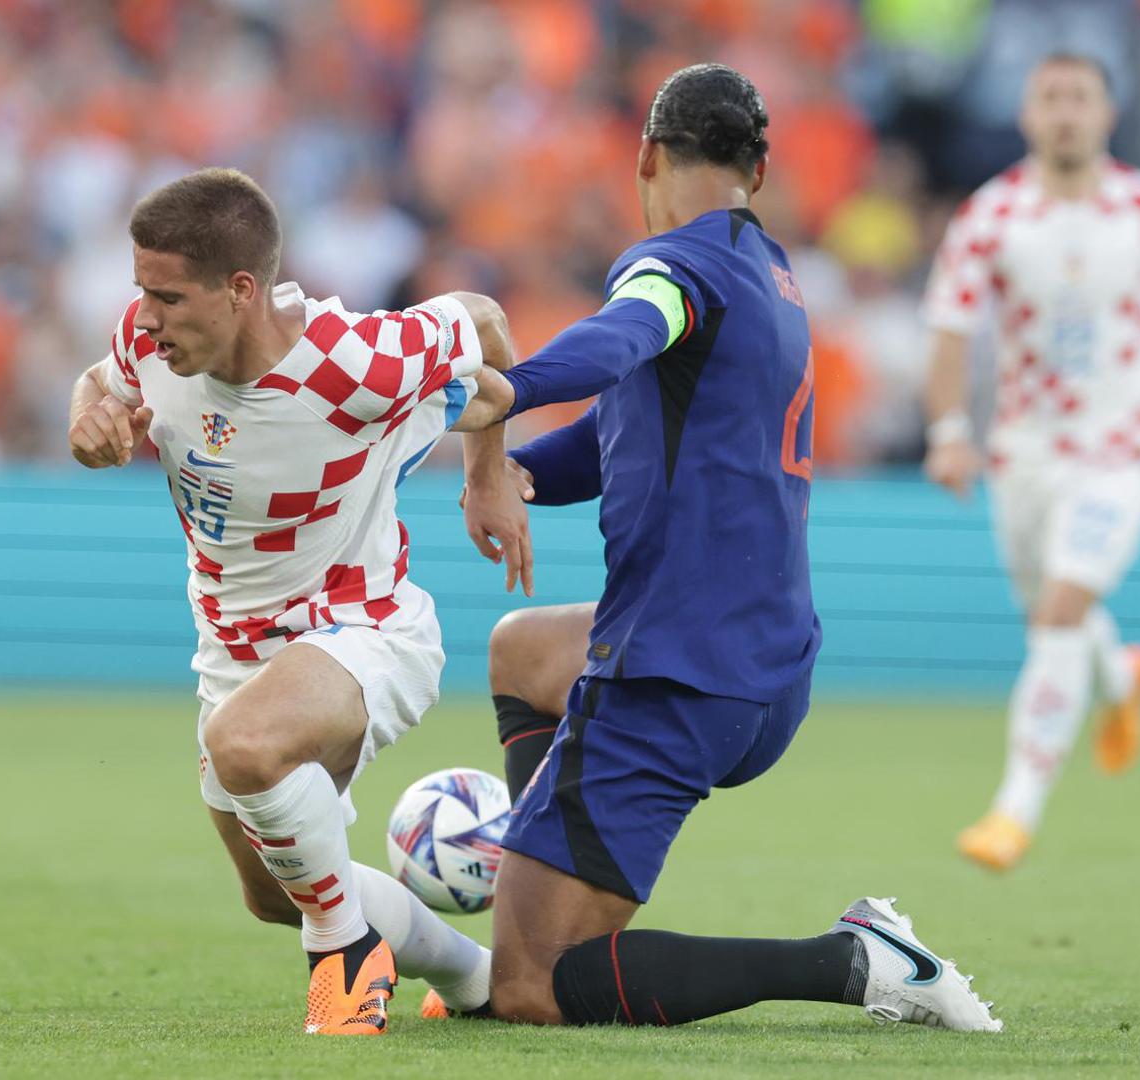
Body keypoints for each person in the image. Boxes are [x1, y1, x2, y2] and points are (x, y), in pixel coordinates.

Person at [443, 63, 1001, 1031]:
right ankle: (551, 856)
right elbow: (622, 425)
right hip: (767, 668)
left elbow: (621, 335)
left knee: (529, 984)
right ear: (760, 170)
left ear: (647, 158)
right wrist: (520, 473)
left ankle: (854, 961)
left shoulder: (673, 267)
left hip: (677, 673)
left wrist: (509, 389)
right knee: (525, 652)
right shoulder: (772, 278)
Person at [66, 167, 530, 1035]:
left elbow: (488, 332)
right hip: (232, 652)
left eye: (167, 297)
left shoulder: (355, 365)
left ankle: (345, 962)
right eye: (141, 293)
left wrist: (488, 478)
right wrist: (86, 422)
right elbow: (101, 385)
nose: (146, 317)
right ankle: (480, 979)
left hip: (366, 630)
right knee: (277, 895)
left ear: (241, 290)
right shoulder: (147, 340)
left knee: (243, 747)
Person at [922, 54, 1140, 871]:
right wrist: (949, 428)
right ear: (1026, 114)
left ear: (1107, 113)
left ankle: (1013, 811)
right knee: (1054, 610)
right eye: (1051, 98)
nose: (1066, 113)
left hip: (1125, 449)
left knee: (1056, 613)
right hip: (1026, 453)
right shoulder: (993, 215)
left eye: (1080, 97)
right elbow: (949, 327)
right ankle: (1122, 675)